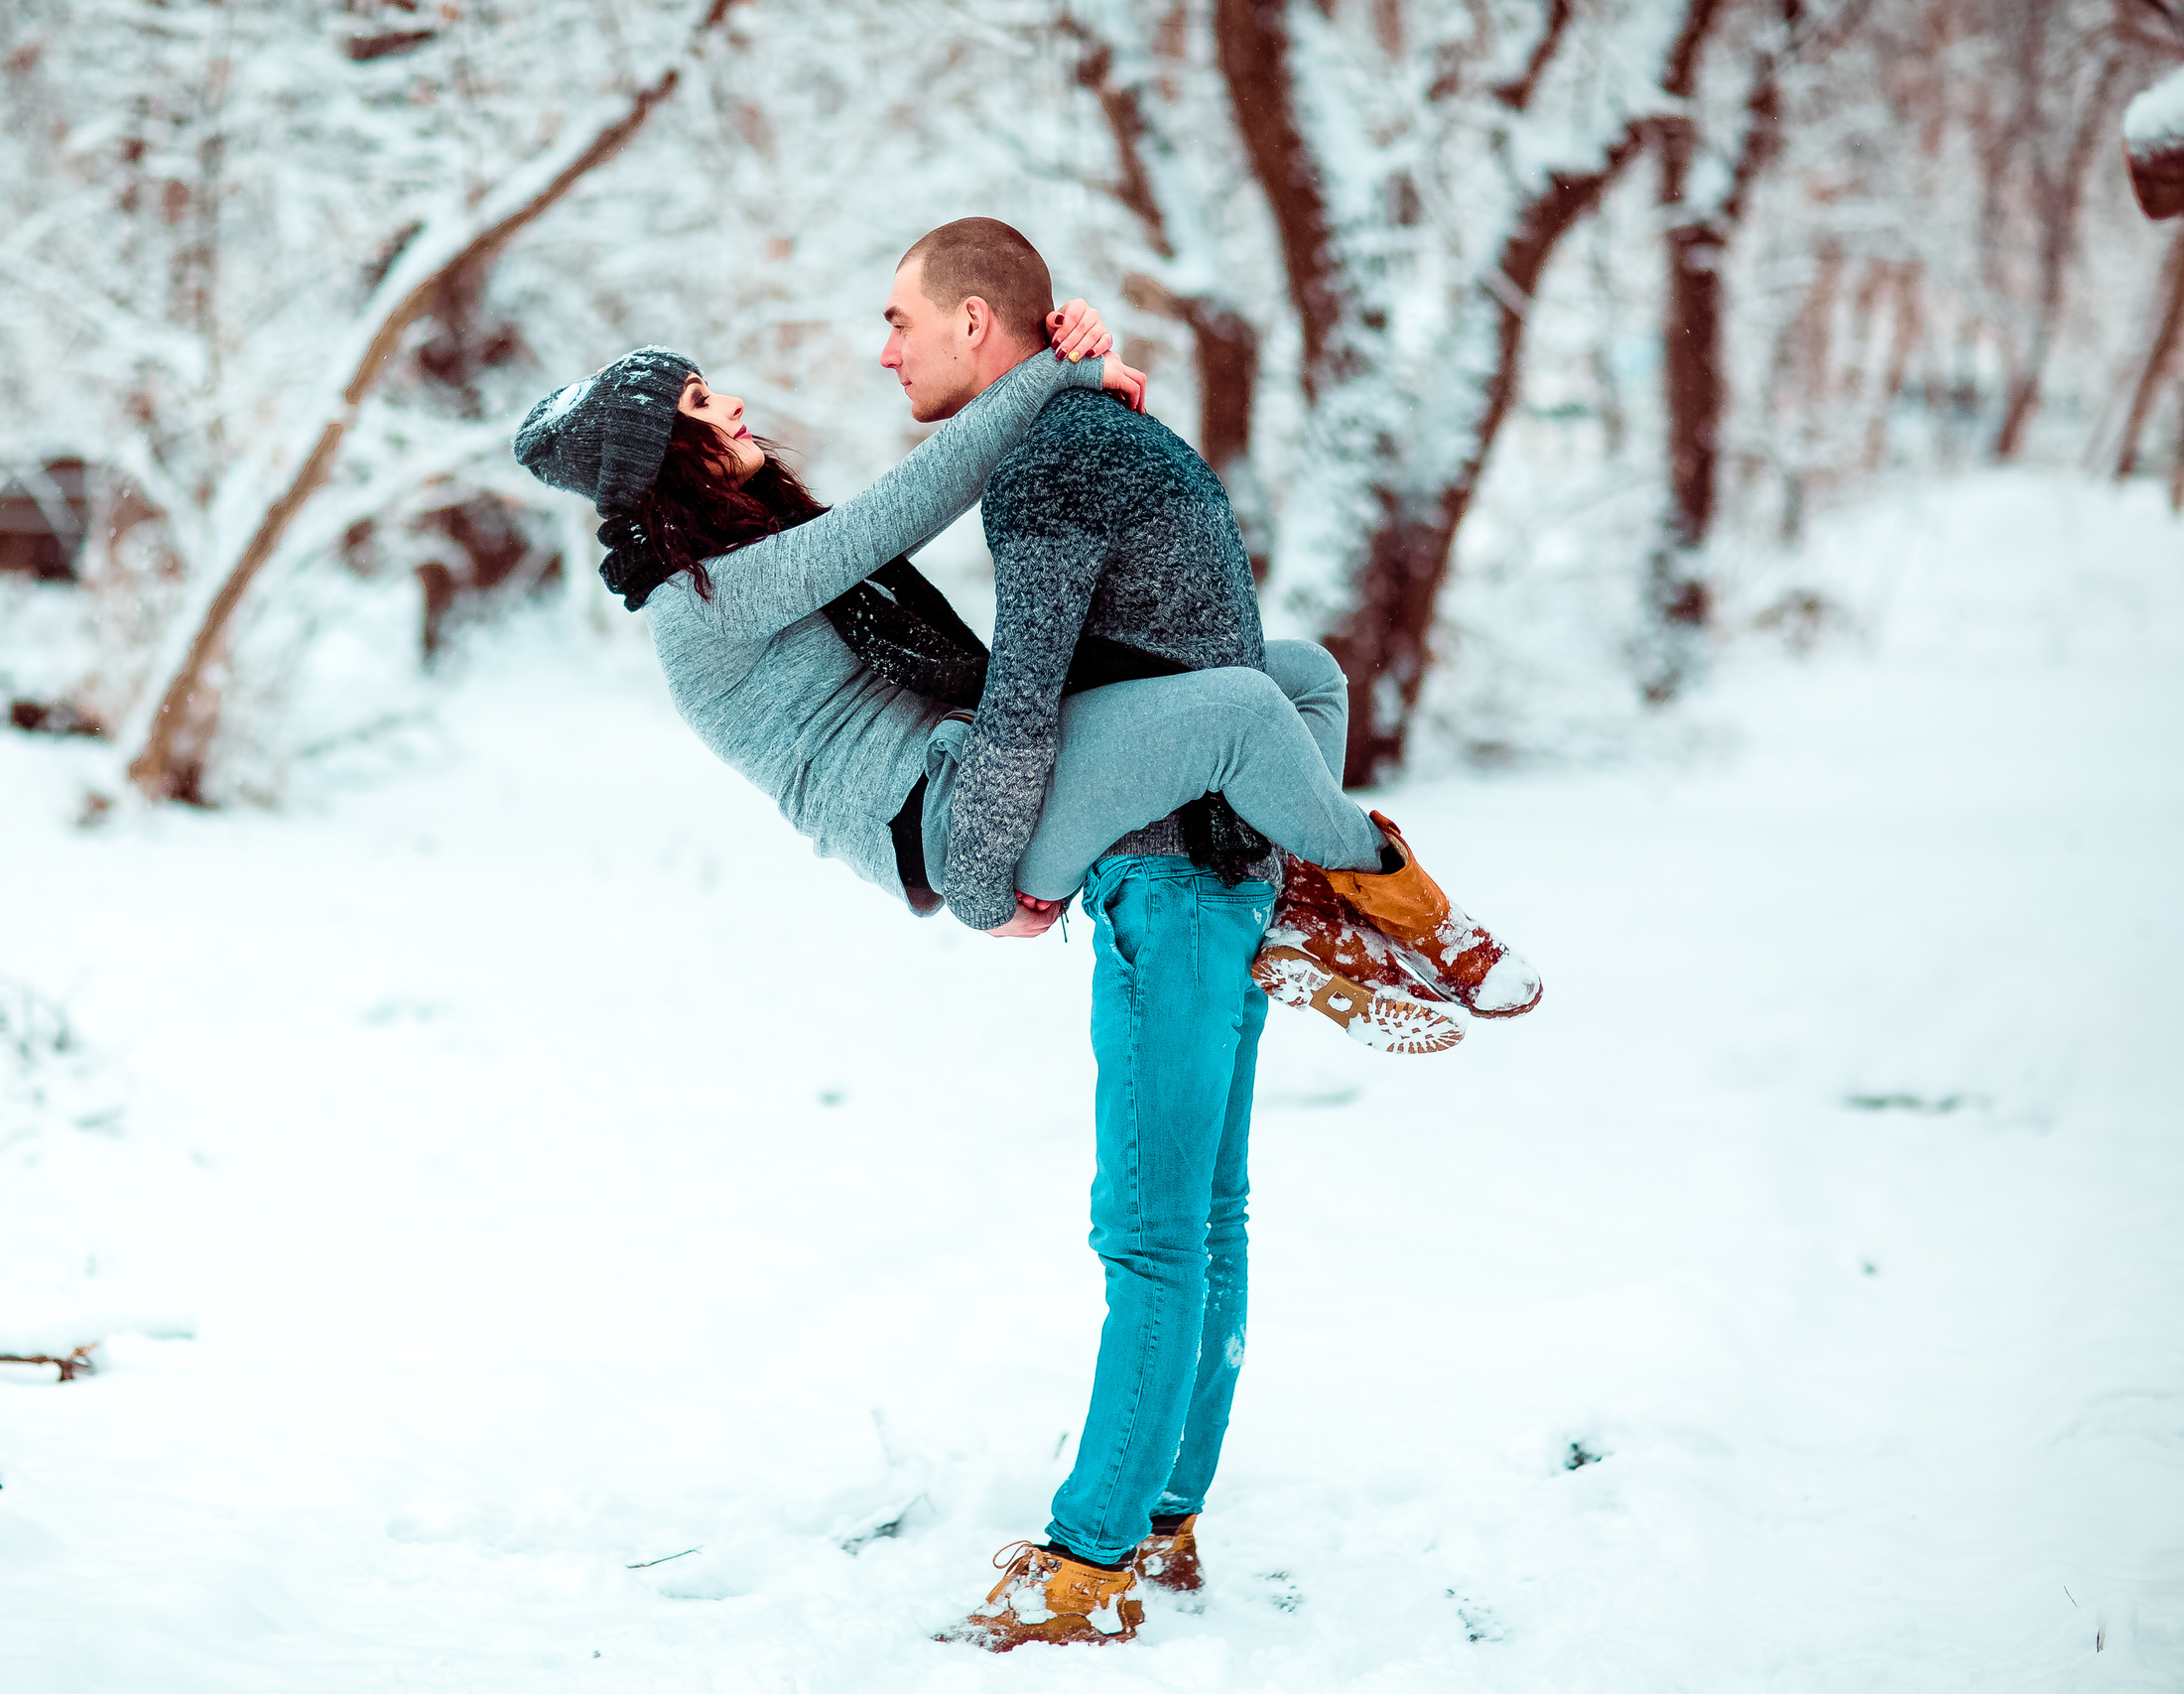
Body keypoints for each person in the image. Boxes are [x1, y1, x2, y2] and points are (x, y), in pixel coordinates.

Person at [511, 228, 1540, 1649]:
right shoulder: (703, 602)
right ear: (665, 464)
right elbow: (907, 504)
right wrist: (1048, 384)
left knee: (1293, 677)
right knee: (1248, 720)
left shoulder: (745, 560)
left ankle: (1297, 915)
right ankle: (1394, 903)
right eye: (700, 409)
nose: (734, 408)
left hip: (981, 787)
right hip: (946, 823)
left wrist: (1063, 399)